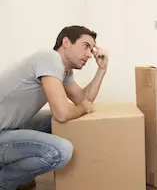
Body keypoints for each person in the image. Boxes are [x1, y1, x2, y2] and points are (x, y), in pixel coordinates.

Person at [0, 25, 109, 190]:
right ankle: (5, 180)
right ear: (66, 42)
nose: (89, 54)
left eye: (92, 49)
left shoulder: (64, 71)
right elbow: (63, 113)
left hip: (10, 127)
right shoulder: (49, 58)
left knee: (52, 121)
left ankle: (15, 174)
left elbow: (84, 99)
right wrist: (83, 108)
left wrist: (102, 69)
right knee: (61, 151)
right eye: (86, 46)